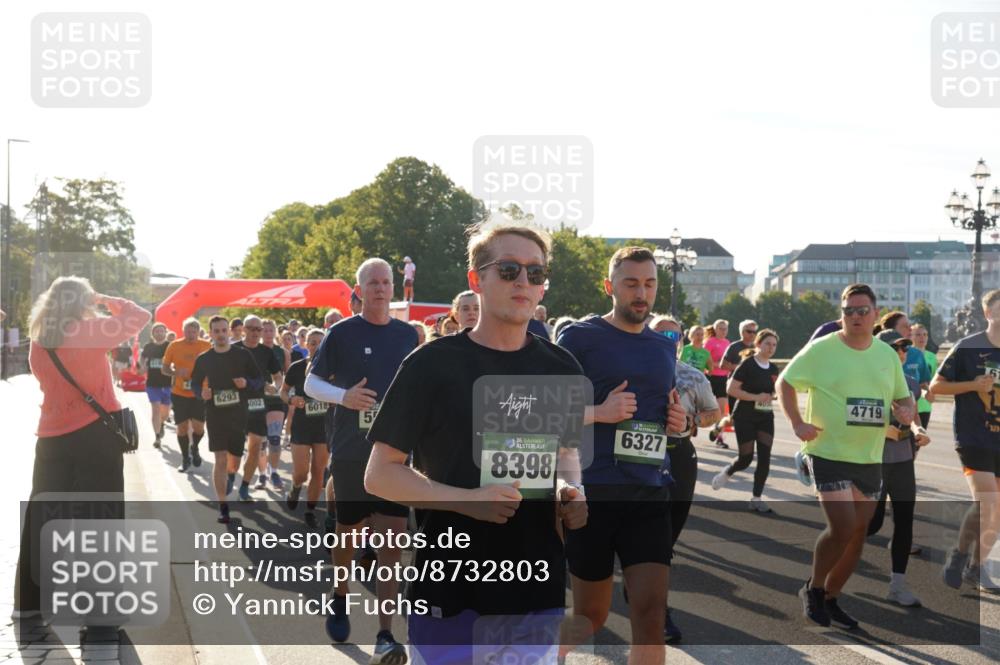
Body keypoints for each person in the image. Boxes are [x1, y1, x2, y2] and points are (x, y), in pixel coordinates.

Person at [365, 222, 589, 665]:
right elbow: (378, 474)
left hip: (535, 589)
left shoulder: (561, 366)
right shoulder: (429, 364)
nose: (523, 281)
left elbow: (566, 454)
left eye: (535, 273)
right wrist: (465, 500)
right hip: (450, 591)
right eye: (508, 270)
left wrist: (574, 492)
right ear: (476, 280)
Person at [557, 246, 687, 662]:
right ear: (608, 286)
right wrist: (600, 412)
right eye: (631, 283)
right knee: (590, 616)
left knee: (650, 614)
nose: (641, 293)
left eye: (649, 284)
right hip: (593, 492)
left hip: (649, 491)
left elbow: (667, 412)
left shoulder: (664, 347)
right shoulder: (579, 337)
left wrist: (680, 423)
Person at [777, 283, 914, 629]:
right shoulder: (821, 349)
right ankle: (814, 587)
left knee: (858, 533)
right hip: (827, 451)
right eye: (847, 311)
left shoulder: (886, 355)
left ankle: (831, 598)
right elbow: (785, 382)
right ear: (841, 315)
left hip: (868, 456)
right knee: (842, 526)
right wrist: (797, 422)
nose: (854, 316)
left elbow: (903, 397)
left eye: (861, 310)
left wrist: (907, 411)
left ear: (875, 315)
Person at [15, 277, 151, 618]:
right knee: (100, 516)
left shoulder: (39, 338)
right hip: (94, 433)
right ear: (83, 300)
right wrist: (106, 297)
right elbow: (139, 317)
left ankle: (29, 603)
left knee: (42, 515)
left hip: (51, 435)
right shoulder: (89, 331)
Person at [304, 258, 418, 662]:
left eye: (386, 282)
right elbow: (310, 383)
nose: (381, 288)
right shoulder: (341, 333)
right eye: (373, 283)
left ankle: (386, 634)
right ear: (360, 289)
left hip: (396, 450)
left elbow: (421, 387)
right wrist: (344, 396)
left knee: (392, 541)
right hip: (353, 448)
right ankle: (339, 594)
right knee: (348, 534)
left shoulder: (409, 335)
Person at [650, 314, 720, 642]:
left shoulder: (692, 376)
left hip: (679, 455)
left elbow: (713, 413)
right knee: (653, 537)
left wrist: (692, 422)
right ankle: (657, 610)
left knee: (668, 535)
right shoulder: (630, 371)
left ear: (681, 342)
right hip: (638, 458)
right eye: (660, 334)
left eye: (672, 336)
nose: (667, 341)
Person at [933, 288, 1000, 593]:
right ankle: (959, 554)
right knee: (987, 501)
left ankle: (977, 567)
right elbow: (936, 388)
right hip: (974, 435)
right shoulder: (967, 347)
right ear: (988, 314)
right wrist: (973, 385)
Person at [866, 336, 931, 607]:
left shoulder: (911, 383)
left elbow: (912, 416)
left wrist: (919, 431)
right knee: (872, 523)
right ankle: (836, 557)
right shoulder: (868, 380)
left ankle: (897, 585)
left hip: (903, 459)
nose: (904, 352)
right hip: (873, 460)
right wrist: (883, 429)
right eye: (898, 348)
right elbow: (855, 419)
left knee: (905, 520)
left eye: (905, 348)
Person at [191, 316, 264, 524]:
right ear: (211, 333)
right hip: (214, 413)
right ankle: (223, 506)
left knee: (234, 462)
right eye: (217, 331)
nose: (221, 334)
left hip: (238, 413)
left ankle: (232, 475)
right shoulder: (204, 359)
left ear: (229, 332)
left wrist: (246, 384)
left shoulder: (242, 355)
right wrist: (201, 392)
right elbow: (195, 383)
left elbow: (258, 380)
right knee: (220, 458)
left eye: (224, 330)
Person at [711, 329, 781, 512]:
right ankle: (728, 471)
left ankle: (756, 499)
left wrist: (772, 395)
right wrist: (755, 397)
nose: (771, 348)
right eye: (767, 343)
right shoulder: (748, 365)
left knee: (765, 458)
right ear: (758, 344)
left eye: (774, 345)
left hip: (765, 417)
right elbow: (731, 389)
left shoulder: (774, 368)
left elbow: (774, 391)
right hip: (745, 416)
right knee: (746, 458)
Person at [281, 328, 329, 528]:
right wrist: (292, 399)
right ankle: (296, 486)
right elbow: (282, 393)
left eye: (320, 342)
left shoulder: (331, 369)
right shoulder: (296, 367)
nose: (315, 346)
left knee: (318, 470)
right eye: (312, 342)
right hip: (301, 425)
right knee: (301, 471)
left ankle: (310, 508)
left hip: (324, 427)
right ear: (306, 345)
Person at [232, 315, 283, 500]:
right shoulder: (233, 349)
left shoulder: (266, 352)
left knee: (255, 446)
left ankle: (245, 485)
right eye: (251, 328)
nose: (255, 332)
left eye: (258, 329)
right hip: (234, 405)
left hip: (258, 404)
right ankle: (231, 474)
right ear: (243, 329)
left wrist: (275, 388)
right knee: (235, 451)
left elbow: (278, 376)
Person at [162, 318, 212, 471]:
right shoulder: (175, 345)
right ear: (183, 331)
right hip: (179, 393)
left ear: (198, 332)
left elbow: (214, 367)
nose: (191, 335)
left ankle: (194, 448)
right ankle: (185, 458)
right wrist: (176, 372)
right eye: (188, 331)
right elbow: (164, 369)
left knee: (199, 428)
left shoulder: (206, 345)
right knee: (182, 427)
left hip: (199, 393)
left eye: (194, 332)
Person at [710, 319, 759, 448]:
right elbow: (723, 365)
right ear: (742, 332)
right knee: (733, 419)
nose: (752, 334)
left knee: (752, 417)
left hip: (752, 388)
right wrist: (740, 367)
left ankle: (748, 443)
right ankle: (718, 428)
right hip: (735, 387)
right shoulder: (734, 347)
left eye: (754, 332)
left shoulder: (757, 348)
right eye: (749, 331)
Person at [259, 319, 289, 490]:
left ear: (275, 333)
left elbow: (288, 375)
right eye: (265, 330)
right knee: (260, 442)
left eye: (271, 330)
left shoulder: (282, 352)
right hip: (257, 400)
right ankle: (262, 475)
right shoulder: (252, 351)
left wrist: (278, 388)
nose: (268, 333)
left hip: (276, 400)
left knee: (275, 438)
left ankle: (274, 472)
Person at [139, 322, 172, 448]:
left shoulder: (170, 346)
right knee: (155, 409)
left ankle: (162, 423)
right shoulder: (148, 346)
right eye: (156, 331)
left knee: (165, 412)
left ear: (165, 332)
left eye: (161, 331)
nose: (159, 333)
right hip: (152, 383)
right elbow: (142, 357)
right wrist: (142, 366)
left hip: (167, 383)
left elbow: (175, 359)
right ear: (153, 333)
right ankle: (157, 436)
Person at [704, 320, 731, 437]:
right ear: (715, 330)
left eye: (725, 329)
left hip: (723, 379)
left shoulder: (728, 343)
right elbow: (703, 360)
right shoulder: (710, 342)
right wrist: (717, 364)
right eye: (720, 328)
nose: (723, 331)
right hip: (709, 377)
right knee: (703, 407)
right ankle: (691, 427)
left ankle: (718, 434)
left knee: (722, 410)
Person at [911, 323, 937, 429]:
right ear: (911, 336)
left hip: (926, 405)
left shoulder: (932, 357)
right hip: (910, 405)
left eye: (925, 334)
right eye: (918, 335)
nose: (922, 337)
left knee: (918, 443)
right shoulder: (906, 355)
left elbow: (934, 380)